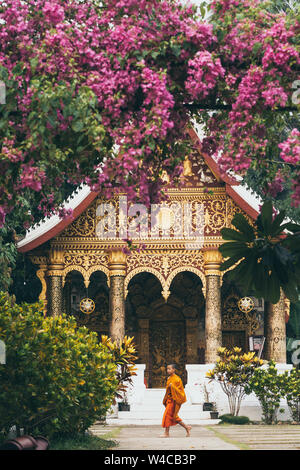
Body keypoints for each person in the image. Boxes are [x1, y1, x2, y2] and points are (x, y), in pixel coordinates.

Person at [161, 363, 192, 438]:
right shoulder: (169, 378)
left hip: (175, 400)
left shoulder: (177, 379)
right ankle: (187, 427)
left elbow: (180, 391)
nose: (168, 370)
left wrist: (173, 387)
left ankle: (166, 433)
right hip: (169, 400)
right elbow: (168, 390)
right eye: (167, 369)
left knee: (167, 415)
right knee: (173, 417)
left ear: (174, 369)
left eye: (170, 369)